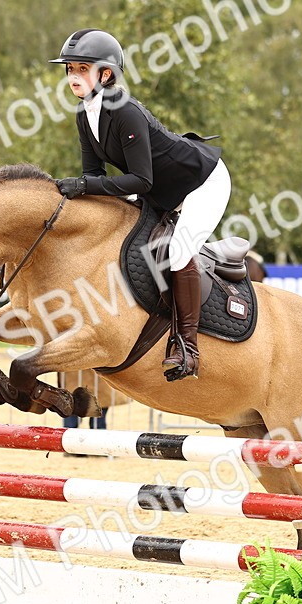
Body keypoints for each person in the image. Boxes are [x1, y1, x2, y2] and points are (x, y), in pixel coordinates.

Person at [50, 28, 229, 382]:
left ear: (106, 73)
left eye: (81, 69)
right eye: (70, 68)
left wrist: (85, 185)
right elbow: (93, 174)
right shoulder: (84, 114)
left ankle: (187, 348)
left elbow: (140, 180)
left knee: (178, 252)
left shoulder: (125, 111)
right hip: (159, 191)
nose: (72, 76)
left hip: (201, 183)